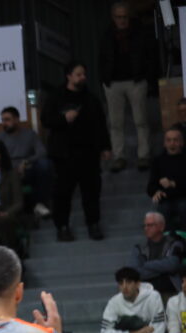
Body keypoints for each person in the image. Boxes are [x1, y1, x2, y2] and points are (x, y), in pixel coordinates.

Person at [43, 60, 111, 242]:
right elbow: (46, 119)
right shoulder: (56, 97)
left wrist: (105, 146)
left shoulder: (91, 99)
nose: (83, 77)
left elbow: (101, 124)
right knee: (63, 193)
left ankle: (93, 224)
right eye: (78, 74)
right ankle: (62, 226)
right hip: (64, 154)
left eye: (84, 74)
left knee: (92, 191)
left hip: (89, 153)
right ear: (69, 76)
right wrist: (63, 118)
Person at [99, 1, 157, 173]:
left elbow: (149, 55)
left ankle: (143, 155)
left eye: (124, 16)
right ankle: (119, 157)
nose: (122, 20)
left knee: (141, 120)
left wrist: (145, 76)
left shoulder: (140, 33)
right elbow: (102, 58)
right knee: (115, 122)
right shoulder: (108, 34)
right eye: (118, 17)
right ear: (113, 17)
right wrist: (105, 79)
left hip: (135, 80)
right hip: (113, 82)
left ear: (129, 17)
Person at [0, 106, 51, 218]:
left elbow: (42, 152)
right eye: (3, 120)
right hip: (8, 171)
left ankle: (40, 204)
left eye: (7, 120)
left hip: (27, 168)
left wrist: (26, 162)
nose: (4, 123)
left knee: (44, 165)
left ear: (16, 119)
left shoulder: (29, 134)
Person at [129, 211, 184, 297]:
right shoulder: (138, 248)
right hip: (146, 294)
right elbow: (134, 272)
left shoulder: (174, 243)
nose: (146, 228)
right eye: (144, 225)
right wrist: (163, 270)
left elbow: (172, 265)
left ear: (161, 227)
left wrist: (146, 264)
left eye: (150, 225)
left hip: (171, 292)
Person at [146, 129, 186, 231]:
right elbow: (151, 185)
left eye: (175, 140)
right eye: (169, 140)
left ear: (181, 142)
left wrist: (173, 184)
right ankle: (167, 239)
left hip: (183, 197)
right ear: (164, 143)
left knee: (183, 207)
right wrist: (156, 191)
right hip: (165, 199)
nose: (172, 143)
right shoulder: (158, 161)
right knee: (162, 211)